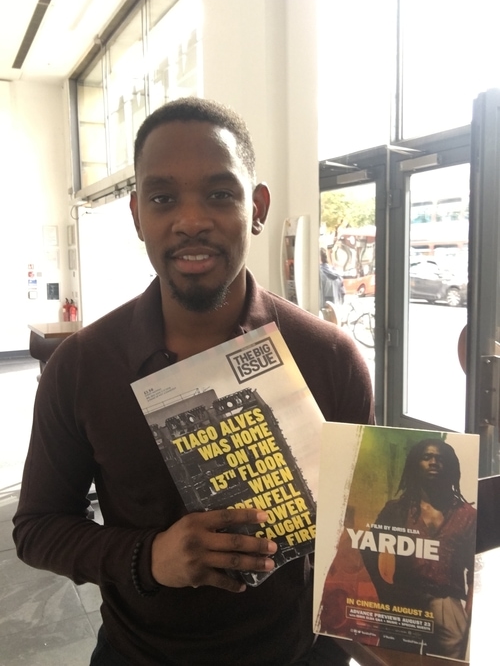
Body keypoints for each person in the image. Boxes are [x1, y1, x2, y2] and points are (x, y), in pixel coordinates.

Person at [13, 97, 374, 665]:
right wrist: (150, 557)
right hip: (139, 655)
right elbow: (36, 529)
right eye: (162, 198)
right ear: (137, 215)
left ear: (256, 207)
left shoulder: (329, 358)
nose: (190, 220)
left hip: (297, 654)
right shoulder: (81, 367)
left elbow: (360, 530)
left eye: (219, 193)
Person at [361, 439, 476, 660]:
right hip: (403, 598)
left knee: (447, 663)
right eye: (427, 457)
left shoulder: (467, 514)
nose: (434, 462)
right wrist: (383, 589)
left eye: (440, 459)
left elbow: (473, 568)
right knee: (395, 661)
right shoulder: (397, 509)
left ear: (450, 466)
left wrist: (470, 604)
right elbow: (368, 547)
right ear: (415, 464)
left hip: (446, 601)